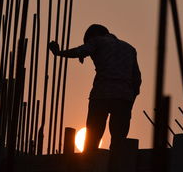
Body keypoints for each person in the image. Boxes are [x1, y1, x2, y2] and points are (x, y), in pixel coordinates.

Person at [49, 24, 141, 152]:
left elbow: (80, 51)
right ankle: (115, 169)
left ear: (93, 36)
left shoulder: (98, 40)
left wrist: (59, 53)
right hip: (124, 98)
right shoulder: (130, 49)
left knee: (92, 139)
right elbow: (137, 80)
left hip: (101, 94)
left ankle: (88, 166)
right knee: (119, 143)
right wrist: (129, 102)